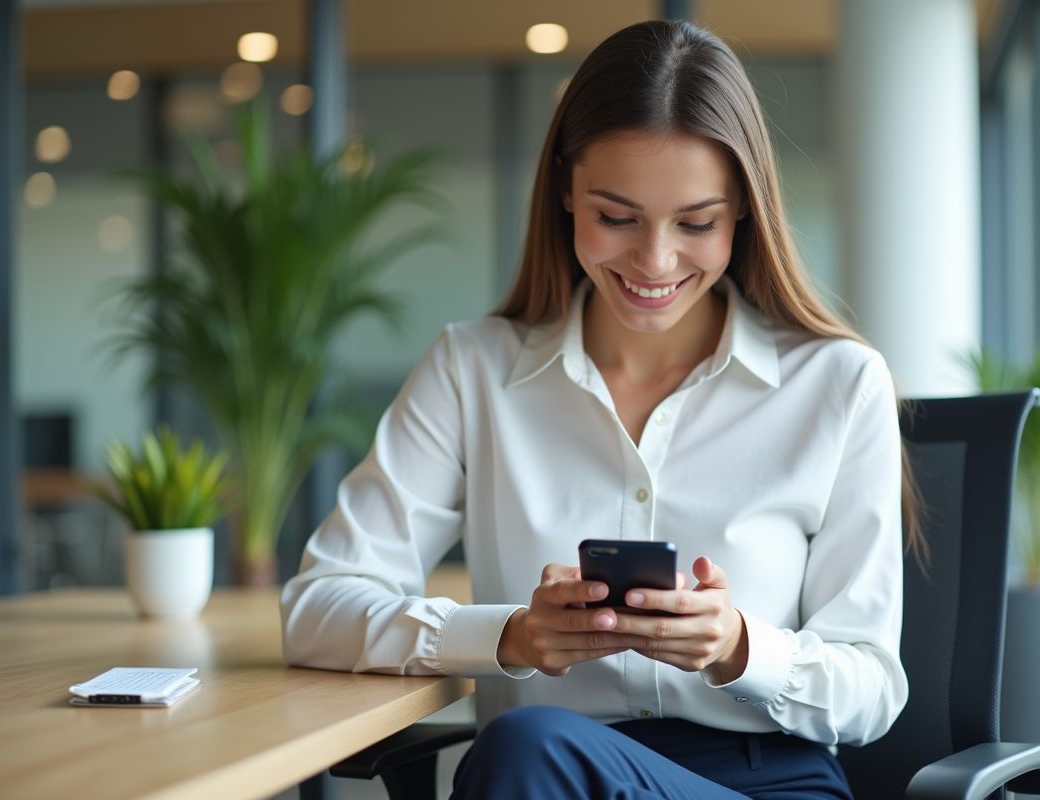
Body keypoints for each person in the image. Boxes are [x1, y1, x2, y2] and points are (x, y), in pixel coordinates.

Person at [282, 19, 917, 800]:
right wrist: (511, 636)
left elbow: (872, 688)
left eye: (697, 222)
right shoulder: (472, 369)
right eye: (616, 217)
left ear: (744, 211)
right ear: (564, 190)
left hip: (762, 783)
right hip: (543, 769)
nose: (655, 261)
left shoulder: (839, 383)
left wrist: (738, 646)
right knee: (532, 749)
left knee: (527, 750)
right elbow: (317, 609)